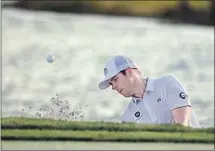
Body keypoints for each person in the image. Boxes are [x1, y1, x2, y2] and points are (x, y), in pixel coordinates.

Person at [98, 55, 201, 128]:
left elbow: (182, 126)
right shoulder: (128, 115)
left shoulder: (167, 84)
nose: (113, 87)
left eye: (115, 80)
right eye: (111, 84)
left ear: (129, 72)